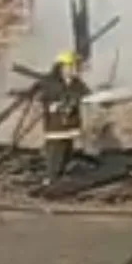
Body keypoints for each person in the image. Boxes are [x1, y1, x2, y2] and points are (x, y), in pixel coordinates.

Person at [36, 50, 91, 184]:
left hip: (70, 125)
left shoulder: (76, 82)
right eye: (71, 66)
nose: (74, 69)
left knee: (67, 151)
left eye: (75, 66)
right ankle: (51, 178)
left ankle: (60, 176)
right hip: (56, 125)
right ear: (61, 67)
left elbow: (86, 94)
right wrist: (64, 102)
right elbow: (47, 98)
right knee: (55, 152)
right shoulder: (51, 82)